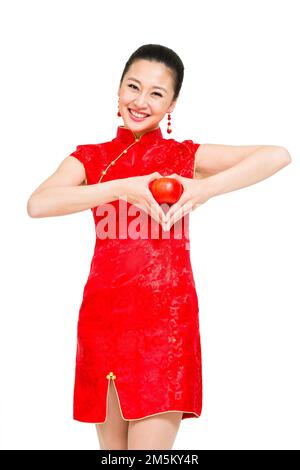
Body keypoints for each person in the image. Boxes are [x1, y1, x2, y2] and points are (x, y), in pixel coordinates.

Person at [27, 44, 291, 450]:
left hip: (163, 326)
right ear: (117, 91)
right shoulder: (91, 159)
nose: (141, 101)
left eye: (156, 93)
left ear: (172, 104)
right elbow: (38, 203)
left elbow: (277, 155)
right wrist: (122, 188)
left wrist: (204, 188)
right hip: (103, 323)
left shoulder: (182, 156)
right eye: (133, 87)